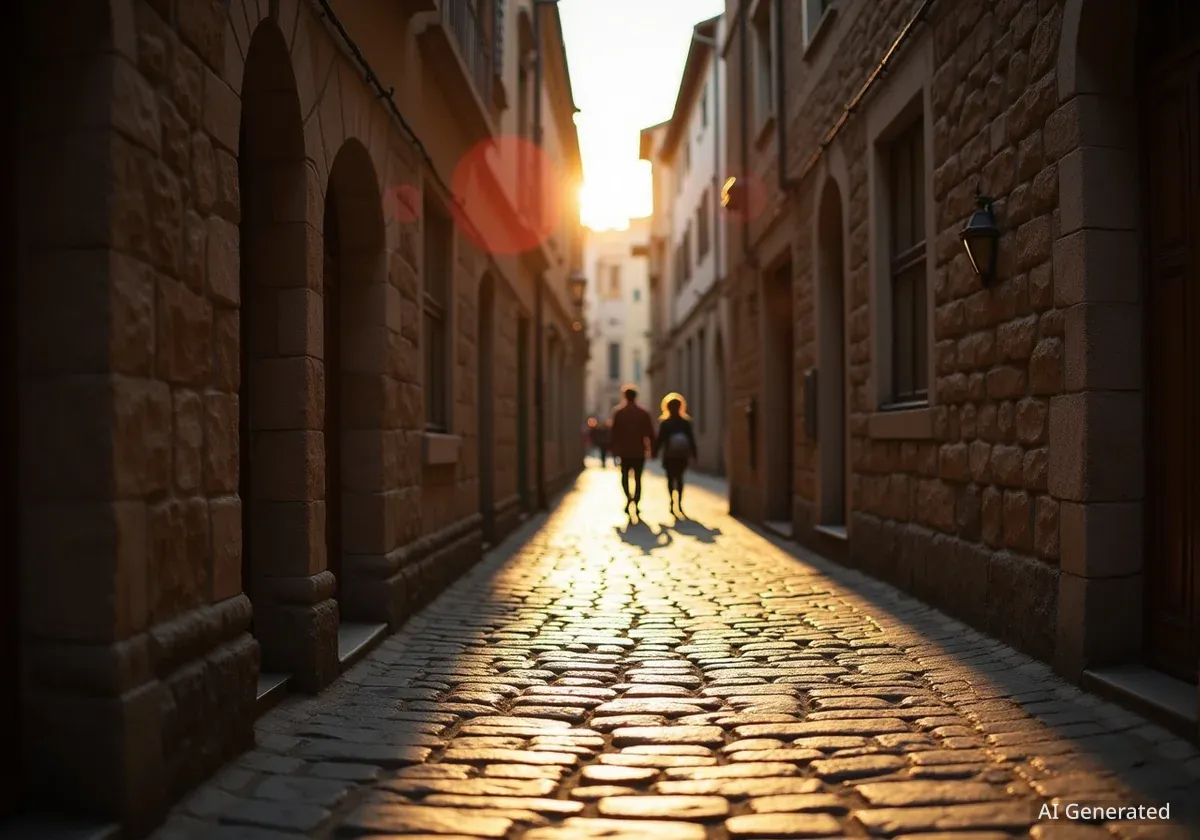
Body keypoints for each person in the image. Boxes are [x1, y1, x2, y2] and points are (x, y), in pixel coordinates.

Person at [609, 385, 655, 518]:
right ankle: (636, 501)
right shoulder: (643, 413)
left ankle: (629, 498)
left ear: (624, 396)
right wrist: (652, 449)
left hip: (624, 451)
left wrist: (614, 450)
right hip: (639, 451)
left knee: (624, 477)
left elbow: (614, 434)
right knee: (638, 479)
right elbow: (650, 433)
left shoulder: (619, 413)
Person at [653, 392, 698, 518]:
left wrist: (654, 452)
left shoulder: (665, 423)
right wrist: (694, 455)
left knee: (670, 479)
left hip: (669, 455)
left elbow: (660, 439)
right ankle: (679, 503)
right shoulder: (685, 423)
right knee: (680, 479)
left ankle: (672, 501)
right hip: (682, 455)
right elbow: (691, 439)